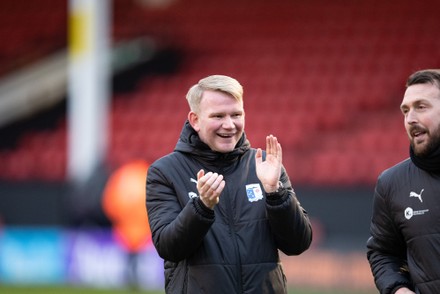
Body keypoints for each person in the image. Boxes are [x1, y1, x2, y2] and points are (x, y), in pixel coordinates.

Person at [146, 74, 313, 293]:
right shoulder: (165, 172)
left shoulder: (265, 167)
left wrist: (276, 194)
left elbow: (298, 244)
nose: (229, 125)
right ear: (195, 120)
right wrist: (201, 207)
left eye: (236, 114)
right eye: (218, 116)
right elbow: (169, 247)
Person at [366, 69, 440, 294]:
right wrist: (398, 288)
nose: (410, 119)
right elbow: (382, 253)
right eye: (405, 110)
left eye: (421, 106)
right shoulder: (392, 183)